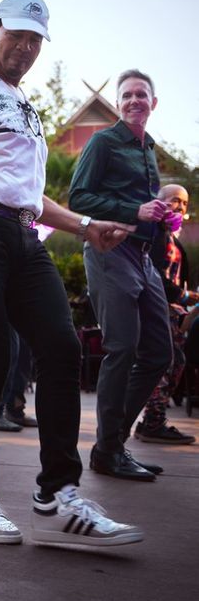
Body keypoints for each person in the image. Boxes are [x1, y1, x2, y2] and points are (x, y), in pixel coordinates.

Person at [0, 0, 142, 547]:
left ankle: (57, 498)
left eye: (35, 39)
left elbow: (28, 196)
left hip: (20, 233)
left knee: (61, 348)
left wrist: (86, 226)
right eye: (16, 34)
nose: (24, 46)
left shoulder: (27, 109)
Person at [69, 69, 175, 480]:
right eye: (127, 95)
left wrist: (157, 213)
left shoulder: (148, 147)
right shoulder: (103, 141)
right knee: (122, 347)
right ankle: (109, 450)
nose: (134, 101)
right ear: (118, 103)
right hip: (109, 251)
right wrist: (135, 211)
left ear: (153, 102)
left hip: (143, 256)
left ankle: (113, 443)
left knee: (159, 352)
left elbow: (142, 203)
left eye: (141, 95)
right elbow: (78, 197)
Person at [136, 184, 196, 444]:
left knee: (177, 361)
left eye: (184, 202)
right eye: (174, 201)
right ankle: (152, 422)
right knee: (164, 362)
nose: (180, 207)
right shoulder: (153, 233)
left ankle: (152, 420)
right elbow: (153, 274)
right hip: (157, 307)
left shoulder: (173, 237)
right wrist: (181, 296)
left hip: (173, 311)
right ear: (158, 202)